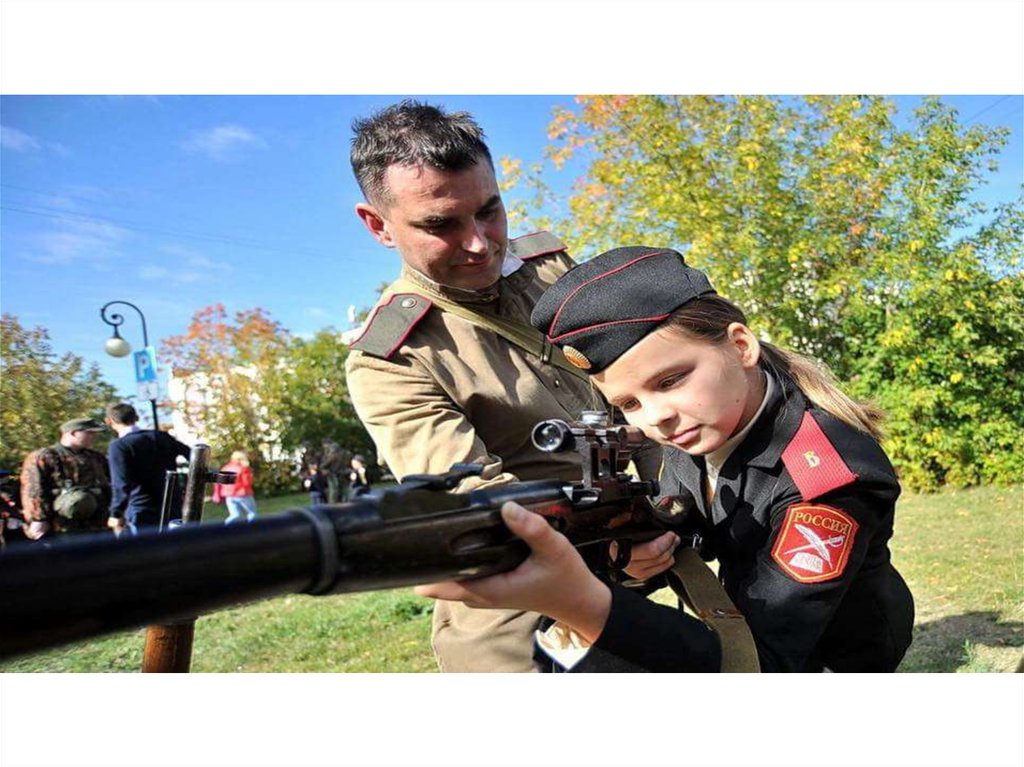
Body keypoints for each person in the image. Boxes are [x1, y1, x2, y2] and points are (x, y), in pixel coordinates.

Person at [417, 246, 915, 673]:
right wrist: (631, 562)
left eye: (671, 380)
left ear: (740, 345)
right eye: (629, 403)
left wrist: (583, 602)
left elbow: (762, 662)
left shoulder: (825, 480)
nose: (657, 418)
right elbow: (683, 526)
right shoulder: (706, 423)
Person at [344, 100, 612, 672]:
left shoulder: (550, 267)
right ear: (378, 225)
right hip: (519, 591)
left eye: (490, 211)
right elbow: (478, 503)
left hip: (641, 539)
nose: (479, 243)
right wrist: (613, 539)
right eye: (440, 225)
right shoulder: (390, 358)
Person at [104, 403, 191, 534]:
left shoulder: (120, 446)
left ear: (109, 421)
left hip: (142, 508)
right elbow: (192, 455)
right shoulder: (162, 437)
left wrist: (115, 512)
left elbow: (121, 483)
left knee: (146, 546)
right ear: (136, 417)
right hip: (171, 503)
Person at [19, 418, 112, 540]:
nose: (94, 437)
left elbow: (108, 485)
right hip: (61, 522)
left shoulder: (96, 458)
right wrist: (38, 519)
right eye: (89, 433)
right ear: (73, 433)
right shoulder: (45, 456)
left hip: (97, 521)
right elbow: (33, 489)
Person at [214, 451, 257, 524]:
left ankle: (225, 526)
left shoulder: (225, 468)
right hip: (242, 494)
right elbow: (247, 483)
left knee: (235, 515)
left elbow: (219, 482)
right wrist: (249, 473)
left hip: (229, 496)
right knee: (252, 513)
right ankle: (253, 528)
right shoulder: (243, 468)